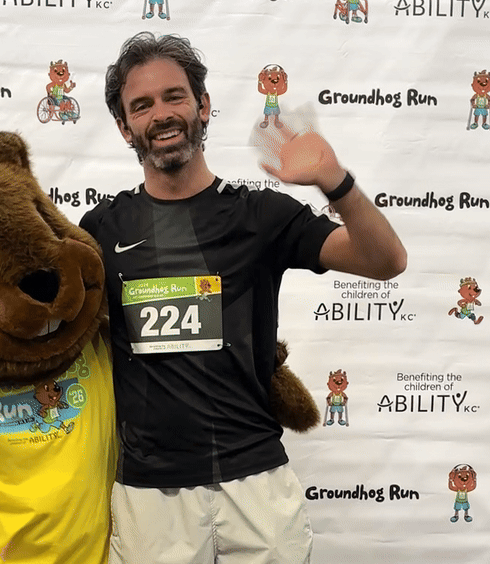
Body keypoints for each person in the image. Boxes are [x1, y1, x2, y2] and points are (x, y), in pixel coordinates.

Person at [80, 32, 407, 564]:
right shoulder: (99, 230)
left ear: (203, 106)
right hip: (150, 500)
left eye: (174, 96)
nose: (161, 114)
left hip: (257, 485)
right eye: (141, 106)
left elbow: (385, 261)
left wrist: (335, 181)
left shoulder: (261, 216)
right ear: (124, 128)